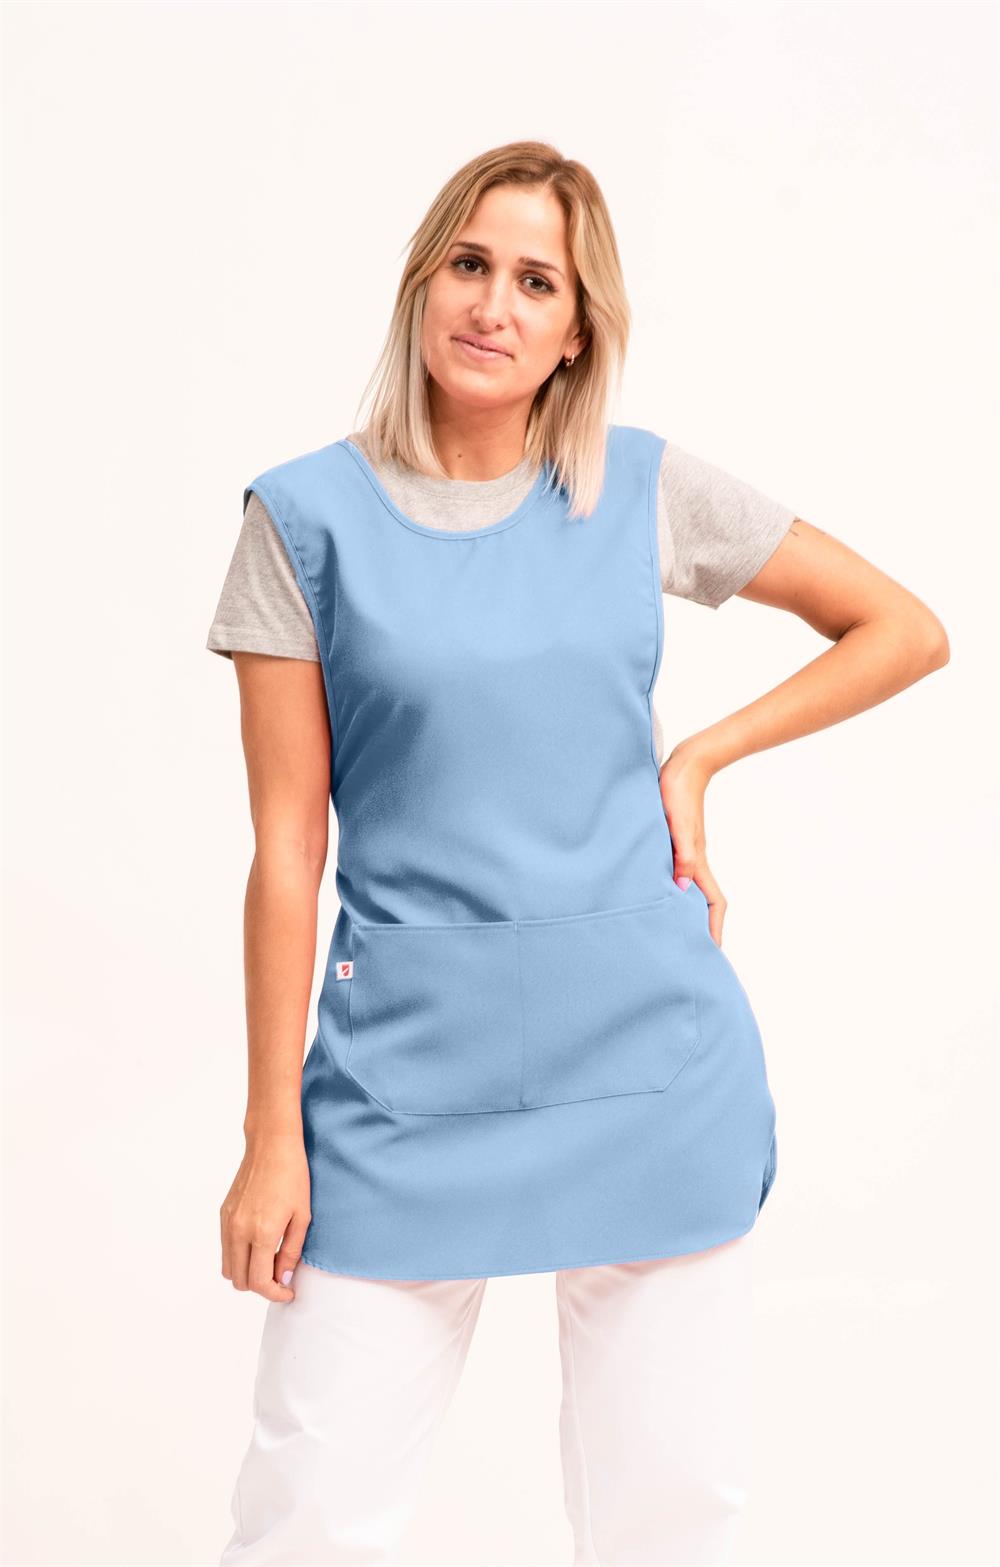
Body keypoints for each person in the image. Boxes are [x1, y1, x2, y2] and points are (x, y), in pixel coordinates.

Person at [207, 141, 949, 1565]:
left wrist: (700, 757)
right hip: (402, 1084)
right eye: (470, 264)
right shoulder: (300, 521)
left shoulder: (641, 488)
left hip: (649, 1071)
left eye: (537, 282)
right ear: (422, 284)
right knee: (308, 1518)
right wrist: (269, 1137)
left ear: (577, 334)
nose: (494, 304)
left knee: (669, 1521)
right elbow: (286, 847)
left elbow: (903, 630)